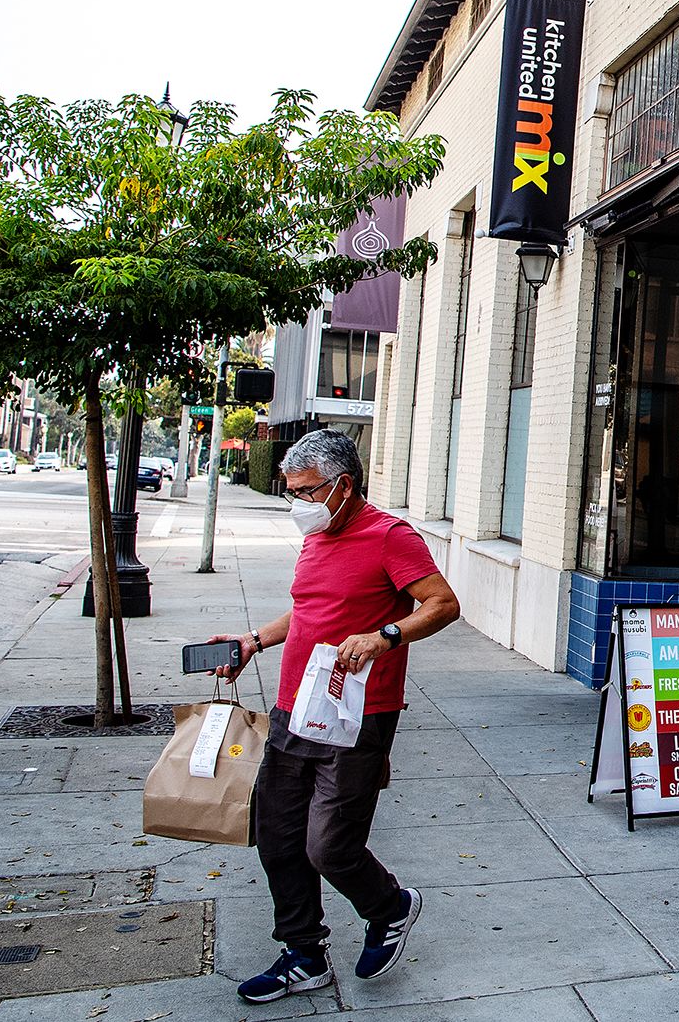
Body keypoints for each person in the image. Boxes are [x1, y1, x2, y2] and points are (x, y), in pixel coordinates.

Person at [208, 429, 460, 1004]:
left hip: (356, 715)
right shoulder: (316, 539)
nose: (297, 503)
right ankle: (304, 956)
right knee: (277, 837)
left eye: (306, 491)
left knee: (330, 845)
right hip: (293, 707)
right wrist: (253, 641)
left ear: (343, 486)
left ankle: (389, 906)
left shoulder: (390, 537)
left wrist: (385, 635)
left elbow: (443, 604)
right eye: (289, 490)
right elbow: (307, 612)